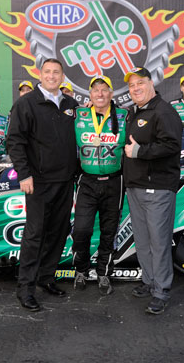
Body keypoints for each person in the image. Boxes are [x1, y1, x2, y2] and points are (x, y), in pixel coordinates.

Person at [6, 58, 79, 312]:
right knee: (35, 234)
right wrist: (24, 174)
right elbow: (15, 141)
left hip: (65, 180)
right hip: (38, 182)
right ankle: (25, 288)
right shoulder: (26, 103)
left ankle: (46, 278)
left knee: (58, 232)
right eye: (47, 72)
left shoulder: (71, 104)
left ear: (62, 76)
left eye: (56, 72)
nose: (51, 76)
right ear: (40, 74)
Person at [123, 67, 183, 315]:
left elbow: (171, 145)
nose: (135, 88)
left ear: (151, 83)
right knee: (143, 240)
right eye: (131, 85)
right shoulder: (135, 112)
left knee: (158, 242)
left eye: (140, 83)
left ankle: (162, 290)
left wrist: (140, 152)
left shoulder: (163, 111)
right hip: (136, 186)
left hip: (157, 188)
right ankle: (149, 281)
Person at [73, 75, 127, 295]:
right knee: (82, 230)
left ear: (111, 94)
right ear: (90, 95)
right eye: (96, 90)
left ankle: (104, 272)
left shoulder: (125, 115)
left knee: (109, 231)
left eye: (105, 90)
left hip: (114, 182)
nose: (100, 94)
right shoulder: (78, 115)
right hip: (87, 182)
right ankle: (81, 270)